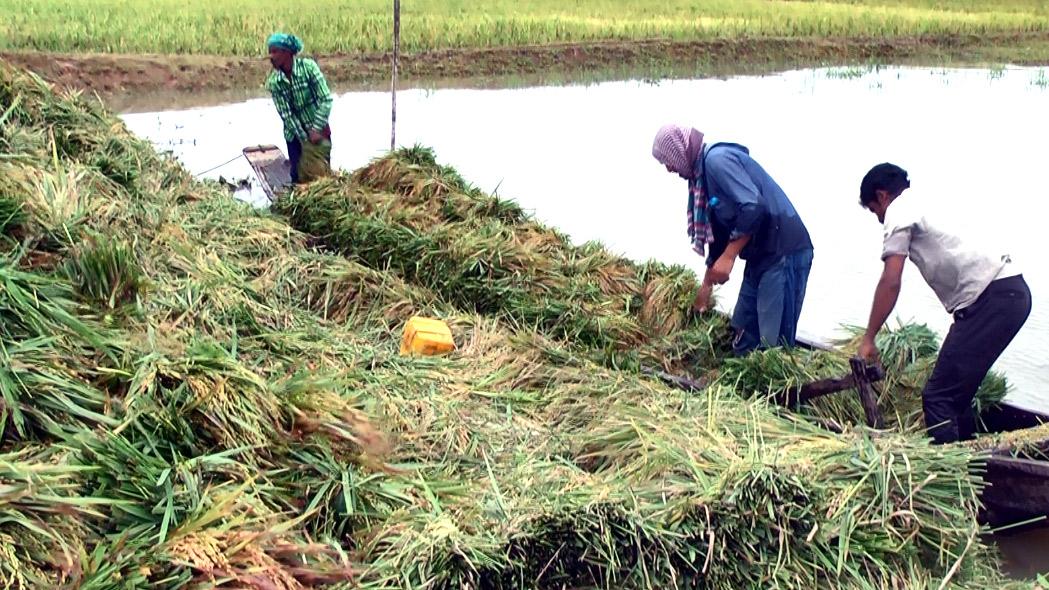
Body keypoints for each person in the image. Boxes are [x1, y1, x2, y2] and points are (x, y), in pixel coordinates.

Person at [855, 163, 1031, 443]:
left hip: (992, 300)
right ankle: (974, 462)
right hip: (1011, 293)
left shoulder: (899, 210)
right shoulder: (928, 201)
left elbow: (891, 280)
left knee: (938, 396)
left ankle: (952, 479)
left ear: (883, 196)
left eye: (876, 211)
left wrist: (869, 338)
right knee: (957, 395)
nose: (879, 219)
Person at [652, 125, 813, 355]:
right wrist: (706, 286)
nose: (669, 168)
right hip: (760, 255)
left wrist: (729, 256)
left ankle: (778, 389)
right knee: (742, 331)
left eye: (668, 160)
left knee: (773, 346)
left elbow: (754, 208)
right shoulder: (702, 178)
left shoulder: (716, 162)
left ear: (679, 150)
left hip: (783, 252)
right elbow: (719, 232)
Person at [266, 33, 334, 184]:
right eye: (270, 52)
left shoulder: (308, 68)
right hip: (295, 135)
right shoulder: (274, 83)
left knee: (323, 175)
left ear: (287, 52)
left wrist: (316, 128)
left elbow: (326, 99)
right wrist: (305, 139)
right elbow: (287, 115)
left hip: (319, 129)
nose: (271, 56)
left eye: (275, 52)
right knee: (298, 176)